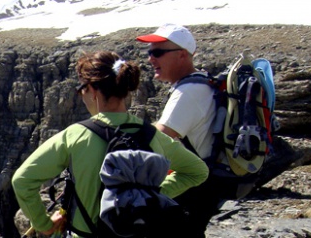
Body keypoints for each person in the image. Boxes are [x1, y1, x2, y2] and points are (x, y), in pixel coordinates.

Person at [12, 51, 208, 237]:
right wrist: (151, 195)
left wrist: (44, 225)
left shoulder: (76, 136)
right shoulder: (153, 135)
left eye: (81, 89)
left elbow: (22, 180)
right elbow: (198, 171)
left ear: (93, 90)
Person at [136, 23, 219, 238]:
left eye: (158, 52)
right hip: (201, 186)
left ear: (182, 55)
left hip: (191, 189)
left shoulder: (189, 92)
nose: (151, 59)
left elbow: (160, 138)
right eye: (150, 52)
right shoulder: (199, 84)